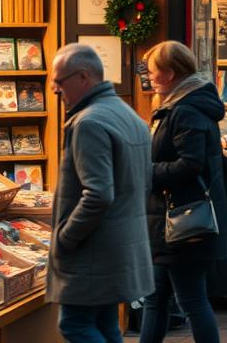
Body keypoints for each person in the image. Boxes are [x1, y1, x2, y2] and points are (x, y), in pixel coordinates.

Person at [48, 44, 153, 343]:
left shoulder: (89, 122)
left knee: (76, 325)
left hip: (92, 251)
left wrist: (65, 237)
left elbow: (98, 194)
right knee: (106, 323)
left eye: (59, 81)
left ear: (83, 77)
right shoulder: (127, 114)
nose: (55, 89)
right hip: (119, 247)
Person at [140, 41, 227, 343]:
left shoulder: (186, 110)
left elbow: (190, 165)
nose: (149, 78)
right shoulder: (175, 105)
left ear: (171, 73)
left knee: (191, 300)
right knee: (156, 299)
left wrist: (146, 172)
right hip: (167, 220)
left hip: (182, 221)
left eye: (154, 72)